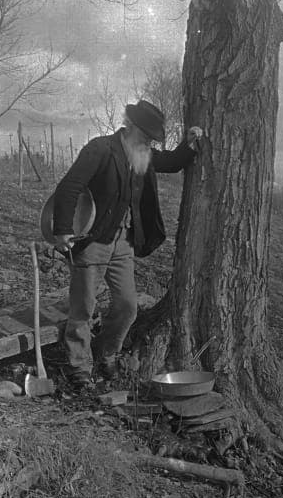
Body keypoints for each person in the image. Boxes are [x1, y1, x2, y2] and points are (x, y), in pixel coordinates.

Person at [52, 99, 203, 391]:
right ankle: (78, 367)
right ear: (130, 126)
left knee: (127, 306)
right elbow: (68, 187)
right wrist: (62, 231)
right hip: (92, 240)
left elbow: (171, 163)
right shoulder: (100, 149)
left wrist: (189, 144)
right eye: (145, 134)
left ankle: (106, 354)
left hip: (124, 243)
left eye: (151, 137)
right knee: (83, 307)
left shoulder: (141, 153)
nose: (148, 141)